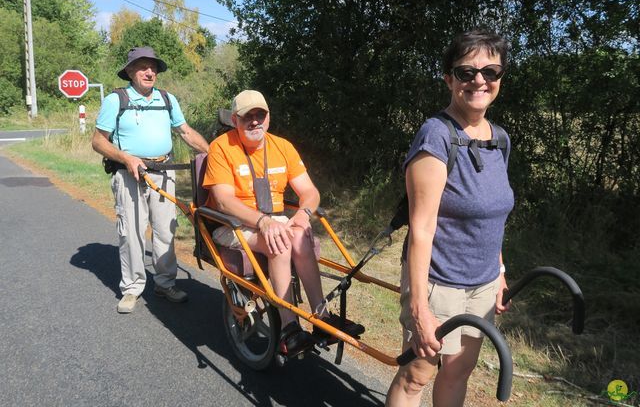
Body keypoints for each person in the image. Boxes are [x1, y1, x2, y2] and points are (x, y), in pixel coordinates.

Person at [386, 29, 514, 406]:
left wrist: (501, 271)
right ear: (449, 79)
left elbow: (494, 216)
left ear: (500, 78)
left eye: (490, 71)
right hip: (439, 284)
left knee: (458, 372)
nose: (479, 80)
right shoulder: (436, 135)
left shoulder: (499, 139)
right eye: (466, 72)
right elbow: (421, 228)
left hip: (483, 283)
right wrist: (420, 308)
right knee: (416, 376)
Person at [202, 90, 364, 353]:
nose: (255, 122)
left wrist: (302, 215)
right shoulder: (221, 147)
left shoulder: (282, 146)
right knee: (279, 238)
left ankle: (322, 318)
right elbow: (223, 201)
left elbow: (310, 193)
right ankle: (289, 329)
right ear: (235, 120)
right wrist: (264, 222)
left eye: (260, 115)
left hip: (272, 218)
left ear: (268, 117)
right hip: (228, 223)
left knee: (300, 234)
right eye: (247, 117)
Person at [92, 46, 209, 314]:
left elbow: (186, 132)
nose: (149, 71)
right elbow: (98, 141)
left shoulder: (167, 99)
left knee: (165, 230)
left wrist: (213, 153)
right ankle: (132, 288)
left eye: (153, 67)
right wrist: (126, 158)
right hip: (129, 174)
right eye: (143, 66)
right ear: (130, 71)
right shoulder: (116, 100)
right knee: (131, 232)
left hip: (164, 170)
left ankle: (165, 284)